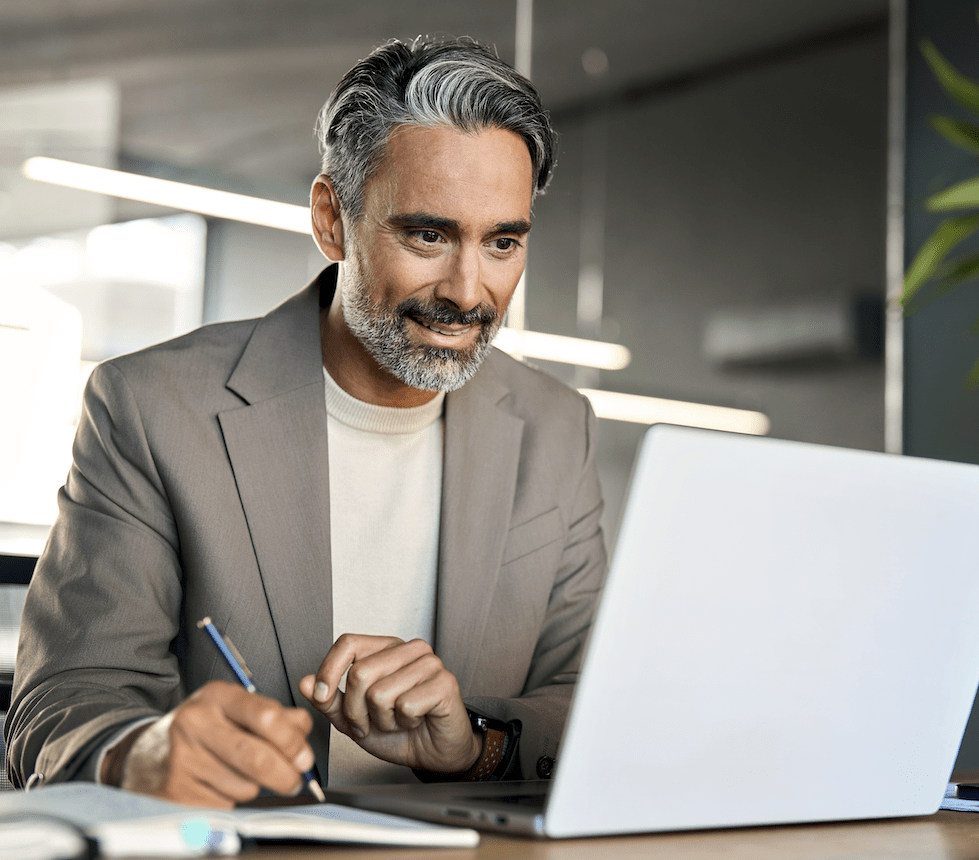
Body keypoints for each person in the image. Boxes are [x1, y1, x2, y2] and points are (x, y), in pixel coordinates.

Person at [6, 36, 606, 807]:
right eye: (428, 234)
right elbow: (61, 702)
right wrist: (137, 754)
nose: (467, 290)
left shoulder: (558, 429)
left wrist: (474, 745)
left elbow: (589, 700)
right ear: (331, 220)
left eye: (502, 242)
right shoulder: (151, 408)